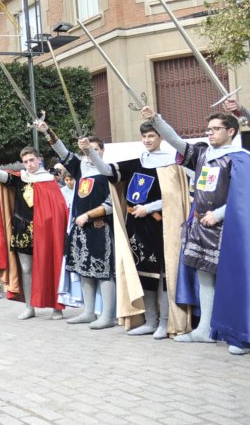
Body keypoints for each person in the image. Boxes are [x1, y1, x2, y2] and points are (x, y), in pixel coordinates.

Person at [142, 105, 250, 355]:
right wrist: (155, 120)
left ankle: (239, 334)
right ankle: (205, 330)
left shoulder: (241, 157)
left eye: (216, 129)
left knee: (235, 281)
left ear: (231, 131)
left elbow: (245, 197)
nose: (210, 133)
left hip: (230, 229)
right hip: (202, 227)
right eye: (208, 129)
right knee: (205, 280)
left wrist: (220, 214)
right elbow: (175, 141)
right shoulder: (203, 154)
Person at [83, 121, 191, 339]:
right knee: (144, 276)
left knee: (162, 277)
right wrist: (89, 151)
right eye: (144, 137)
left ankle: (164, 322)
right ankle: (150, 321)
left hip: (161, 226)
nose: (147, 140)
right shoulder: (135, 163)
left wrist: (149, 207)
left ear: (160, 137)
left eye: (151, 136)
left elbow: (177, 196)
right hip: (135, 226)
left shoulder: (172, 165)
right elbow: (106, 171)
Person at [0, 144, 67, 321]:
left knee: (50, 266)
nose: (29, 164)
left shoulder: (49, 180)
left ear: (39, 160)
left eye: (32, 160)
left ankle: (56, 307)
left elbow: (58, 210)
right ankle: (29, 307)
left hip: (46, 233)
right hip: (23, 231)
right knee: (26, 269)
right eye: (25, 161)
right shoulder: (20, 178)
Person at [40, 123, 117, 330]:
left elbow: (113, 204)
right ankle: (89, 311)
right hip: (80, 229)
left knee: (104, 271)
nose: (90, 154)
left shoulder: (110, 171)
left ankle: (108, 315)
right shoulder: (81, 168)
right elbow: (62, 151)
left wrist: (90, 215)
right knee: (84, 269)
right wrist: (47, 131)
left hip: (102, 228)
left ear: (102, 150)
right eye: (86, 150)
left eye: (94, 150)